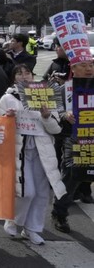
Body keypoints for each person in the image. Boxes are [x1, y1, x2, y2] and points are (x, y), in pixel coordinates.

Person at [0, 64, 64, 245]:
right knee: (26, 192)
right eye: (19, 73)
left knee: (42, 194)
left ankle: (32, 229)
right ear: (13, 78)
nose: (24, 76)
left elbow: (57, 129)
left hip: (43, 151)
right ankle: (13, 220)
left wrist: (47, 116)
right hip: (19, 151)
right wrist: (7, 119)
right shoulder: (7, 98)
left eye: (27, 73)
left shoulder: (46, 96)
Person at [51, 57, 94, 233]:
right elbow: (57, 109)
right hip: (74, 139)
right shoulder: (65, 89)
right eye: (83, 65)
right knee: (71, 179)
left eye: (91, 65)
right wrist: (64, 115)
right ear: (73, 69)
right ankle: (59, 214)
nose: (89, 68)